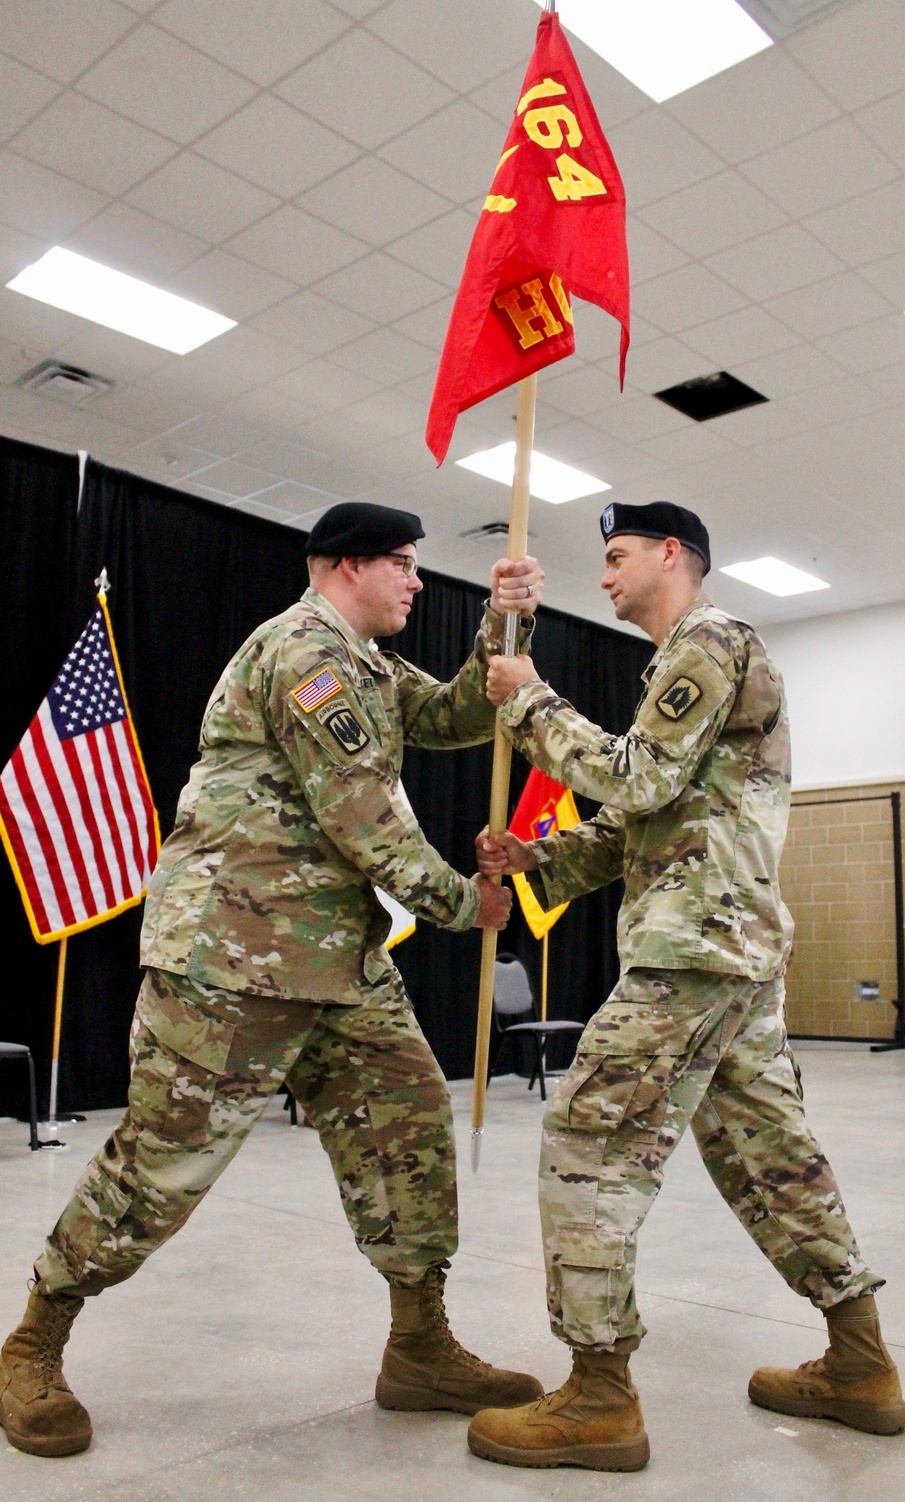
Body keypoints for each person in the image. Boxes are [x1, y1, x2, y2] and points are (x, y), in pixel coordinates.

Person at [0, 501, 546, 1458]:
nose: (418, 582)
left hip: (338, 959)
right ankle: (33, 1341)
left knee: (409, 1136)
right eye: (404, 565)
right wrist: (468, 904)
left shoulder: (369, 662)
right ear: (344, 566)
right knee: (161, 1166)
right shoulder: (306, 654)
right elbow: (365, 817)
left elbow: (460, 712)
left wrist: (506, 624)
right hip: (233, 957)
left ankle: (418, 1347)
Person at [468, 501, 905, 1472]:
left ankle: (597, 1393)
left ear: (673, 554)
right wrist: (533, 858)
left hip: (694, 954)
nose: (607, 574)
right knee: (769, 1158)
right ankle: (860, 1359)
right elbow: (639, 829)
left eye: (618, 556)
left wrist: (530, 699)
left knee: (585, 1140)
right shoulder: (681, 662)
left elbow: (640, 777)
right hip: (727, 954)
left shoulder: (710, 641)